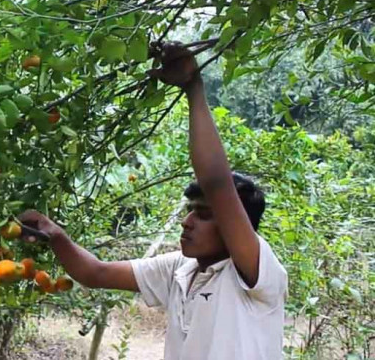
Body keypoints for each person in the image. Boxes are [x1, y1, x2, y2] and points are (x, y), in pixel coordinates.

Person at [18, 42, 288, 360]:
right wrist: (54, 233)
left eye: (203, 215)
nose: (187, 222)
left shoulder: (256, 272)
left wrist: (193, 88)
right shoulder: (180, 270)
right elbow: (97, 273)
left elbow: (216, 183)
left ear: (235, 226)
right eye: (190, 212)